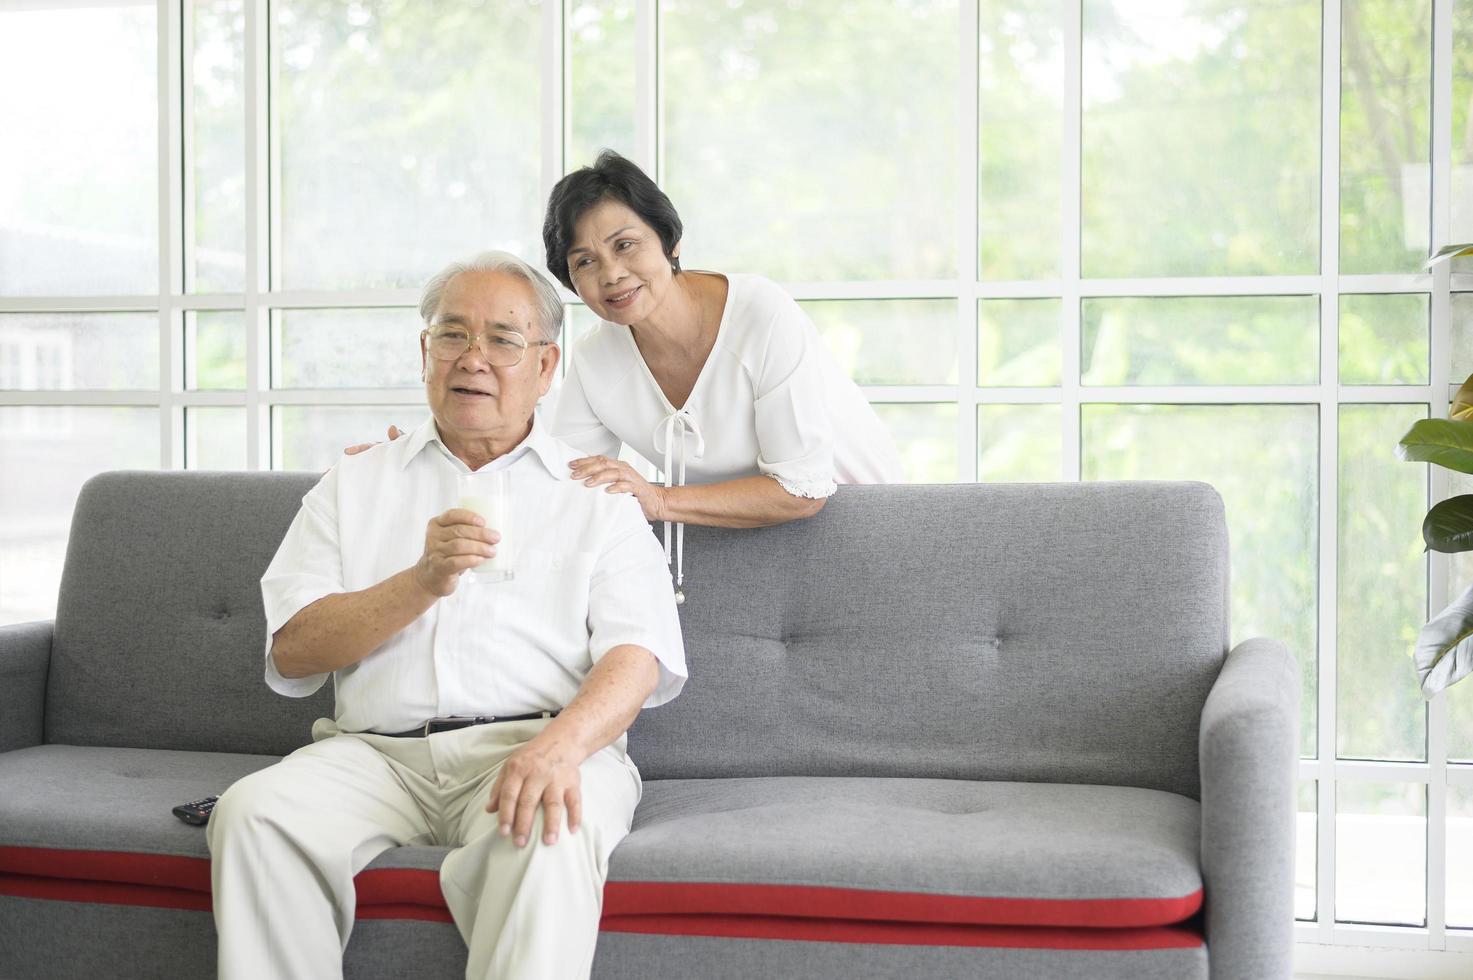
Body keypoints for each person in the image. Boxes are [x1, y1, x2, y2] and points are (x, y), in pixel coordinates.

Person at [207, 250, 687, 980]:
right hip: (373, 757)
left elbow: (637, 656)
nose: (475, 359)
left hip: (533, 745)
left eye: (504, 339)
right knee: (253, 814)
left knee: (551, 827)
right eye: (452, 335)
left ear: (546, 365)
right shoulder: (354, 483)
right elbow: (294, 650)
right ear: (423, 352)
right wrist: (422, 581)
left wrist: (560, 748)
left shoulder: (595, 495)